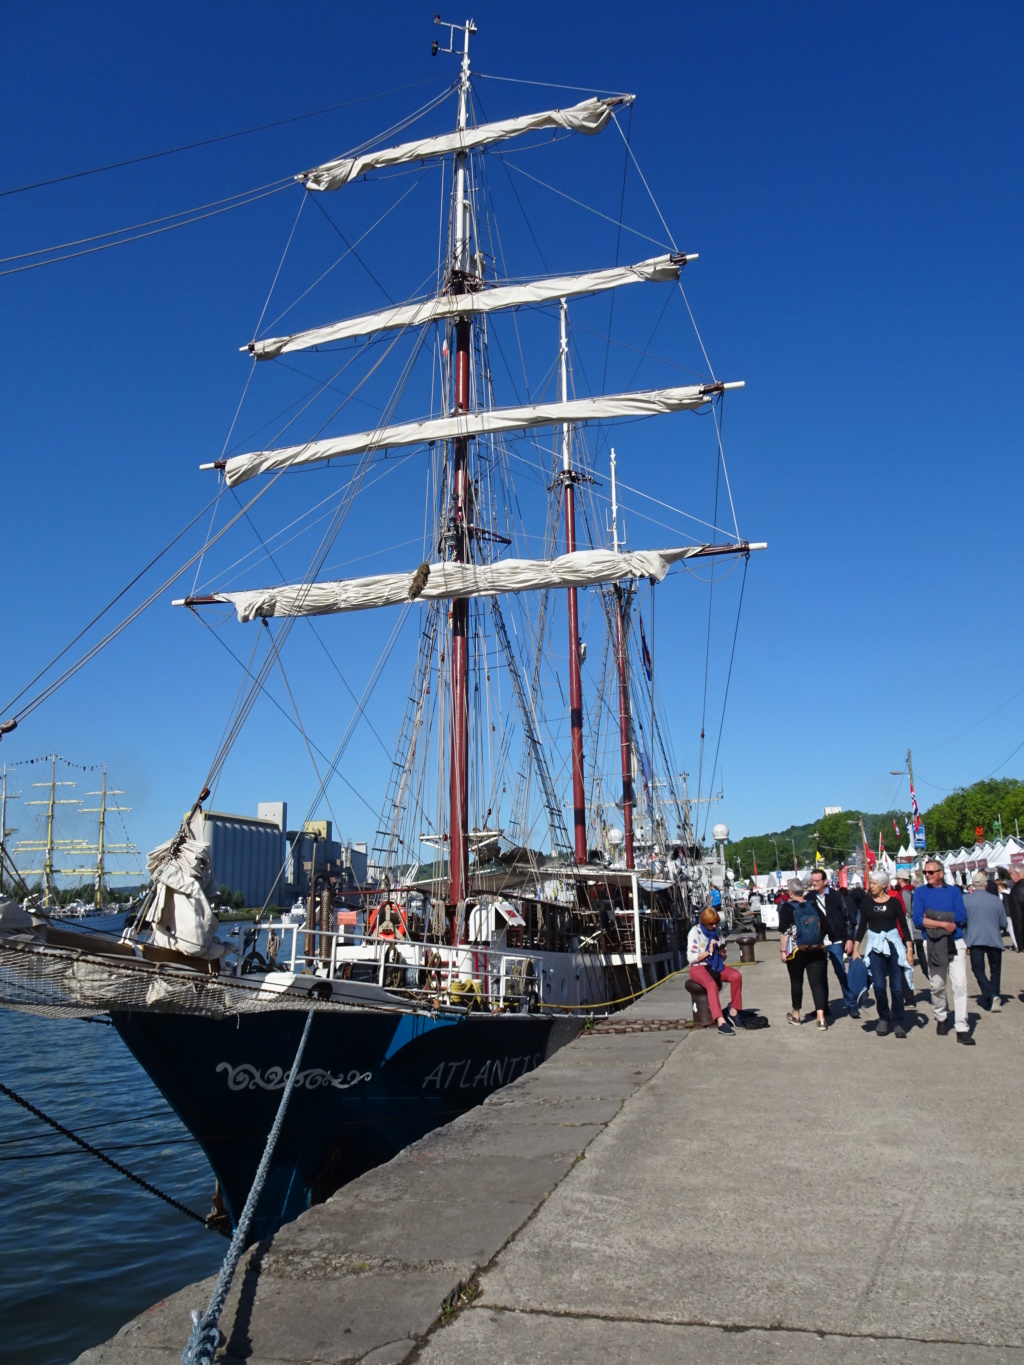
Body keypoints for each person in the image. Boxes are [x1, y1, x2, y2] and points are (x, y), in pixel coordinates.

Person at [913, 858, 972, 1045]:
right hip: (931, 942)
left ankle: (962, 1026)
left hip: (955, 941)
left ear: (940, 872)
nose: (928, 876)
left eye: (931, 872)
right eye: (925, 873)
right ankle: (941, 1016)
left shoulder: (953, 891)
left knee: (960, 985)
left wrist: (931, 917)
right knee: (937, 984)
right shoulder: (920, 892)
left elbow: (961, 916)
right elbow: (917, 919)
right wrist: (944, 923)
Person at [853, 870, 913, 1038]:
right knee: (879, 985)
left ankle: (899, 1021)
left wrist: (909, 950)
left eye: (874, 883)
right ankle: (884, 1017)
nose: (870, 886)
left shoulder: (894, 903)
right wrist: (856, 949)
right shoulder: (866, 903)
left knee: (897, 987)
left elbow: (903, 926)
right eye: (870, 883)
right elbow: (862, 926)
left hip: (893, 945)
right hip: (875, 947)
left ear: (884, 885)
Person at [806, 867, 859, 1016]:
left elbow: (847, 918)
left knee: (841, 972)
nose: (814, 883)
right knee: (820, 975)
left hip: (835, 939)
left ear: (825, 881)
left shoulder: (836, 896)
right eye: (812, 880)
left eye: (817, 881)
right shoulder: (809, 898)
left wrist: (849, 939)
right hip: (818, 941)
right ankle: (823, 1007)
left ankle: (851, 1004)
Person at [778, 877, 829, 1029]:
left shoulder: (787, 908)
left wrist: (782, 951)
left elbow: (784, 932)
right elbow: (825, 925)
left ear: (790, 892)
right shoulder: (812, 904)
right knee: (817, 983)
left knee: (796, 981)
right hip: (816, 948)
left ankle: (796, 1015)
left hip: (797, 951)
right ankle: (821, 1018)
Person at [687, 906, 743, 1036]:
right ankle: (720, 1021)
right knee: (711, 985)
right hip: (698, 967)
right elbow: (691, 958)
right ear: (704, 922)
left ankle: (734, 1012)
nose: (713, 926)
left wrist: (722, 954)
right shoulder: (694, 932)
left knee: (736, 976)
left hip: (715, 964)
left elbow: (722, 952)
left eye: (715, 923)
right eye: (711, 924)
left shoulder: (717, 931)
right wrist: (708, 952)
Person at [965, 868, 1008, 1011]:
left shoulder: (966, 899)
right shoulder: (996, 900)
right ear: (986, 884)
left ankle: (990, 995)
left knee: (978, 969)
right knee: (996, 970)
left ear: (973, 884)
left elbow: (962, 920)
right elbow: (1003, 923)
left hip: (975, 938)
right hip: (994, 938)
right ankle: (994, 994)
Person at [1006, 865, 1024, 953]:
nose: (1010, 877)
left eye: (1010, 874)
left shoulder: (1016, 891)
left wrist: (1020, 944)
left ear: (1015, 874)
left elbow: (1018, 920)